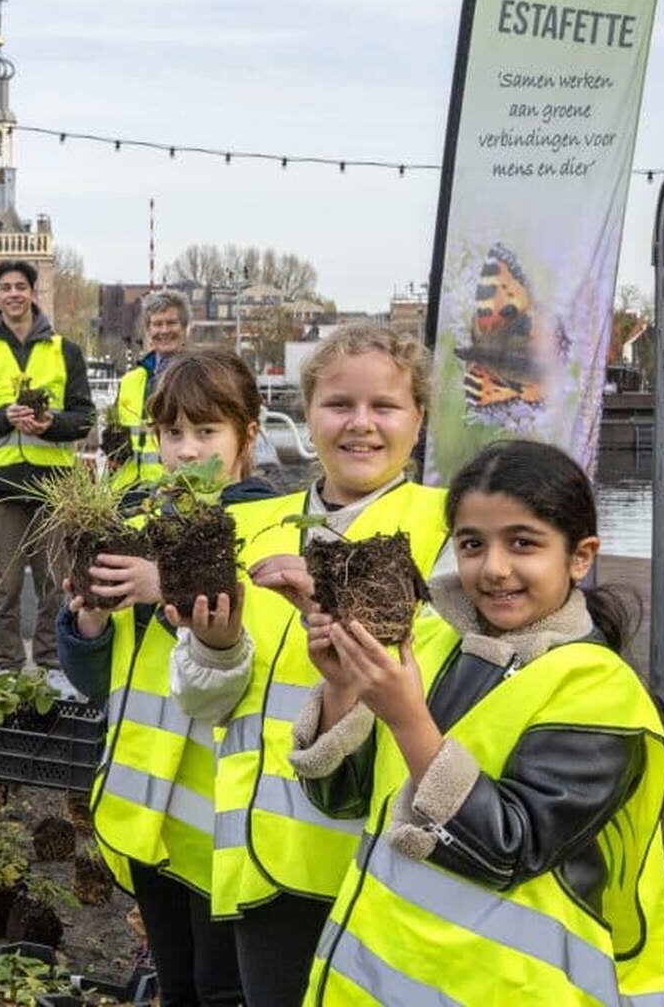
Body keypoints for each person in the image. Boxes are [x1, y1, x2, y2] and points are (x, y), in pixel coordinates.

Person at [289, 440, 664, 1005]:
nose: (494, 569)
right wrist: (344, 689)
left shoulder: (598, 689)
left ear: (580, 556)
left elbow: (509, 849)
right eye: (472, 544)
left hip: (512, 990)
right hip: (380, 978)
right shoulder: (436, 642)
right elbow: (342, 800)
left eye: (523, 543)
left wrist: (408, 719)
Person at [208, 322, 452, 1006]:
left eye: (385, 407)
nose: (361, 425)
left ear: (419, 419)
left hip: (378, 861)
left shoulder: (453, 531)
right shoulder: (256, 527)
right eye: (339, 404)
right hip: (263, 860)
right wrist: (215, 647)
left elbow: (460, 694)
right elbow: (209, 699)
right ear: (307, 413)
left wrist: (341, 607)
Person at [55, 348, 276, 1007]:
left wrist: (170, 585)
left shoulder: (264, 533)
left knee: (222, 989)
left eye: (206, 432)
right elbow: (100, 680)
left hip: (230, 820)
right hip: (155, 813)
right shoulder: (142, 528)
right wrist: (89, 622)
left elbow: (256, 651)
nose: (186, 450)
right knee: (177, 986)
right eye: (171, 433)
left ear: (247, 436)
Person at [0, 258, 94, 690]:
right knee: (5, 583)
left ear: (33, 293)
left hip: (54, 485)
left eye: (21, 287)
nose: (14, 294)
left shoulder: (64, 351)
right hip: (2, 486)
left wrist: (51, 424)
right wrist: (3, 418)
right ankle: (7, 663)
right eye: (5, 288)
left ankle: (52, 664)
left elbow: (84, 418)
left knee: (55, 582)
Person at [108, 290, 192, 493]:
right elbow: (115, 427)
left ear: (185, 328)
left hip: (175, 489)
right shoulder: (131, 380)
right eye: (157, 324)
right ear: (148, 329)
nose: (164, 330)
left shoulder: (198, 377)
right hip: (128, 491)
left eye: (171, 323)